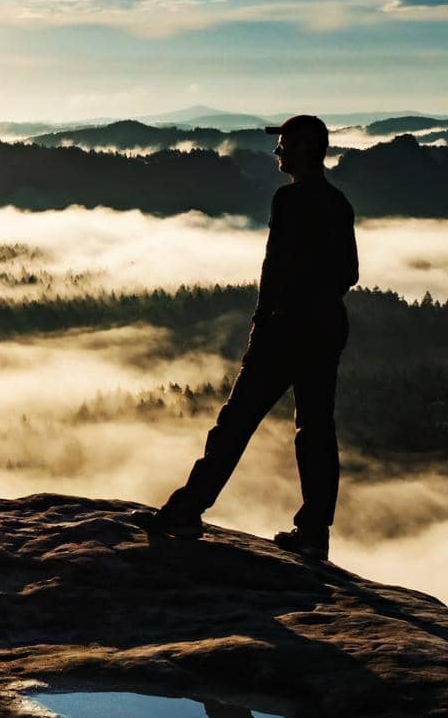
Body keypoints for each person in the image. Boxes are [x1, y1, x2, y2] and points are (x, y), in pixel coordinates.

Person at [136, 114, 359, 561]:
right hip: (326, 328)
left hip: (284, 329)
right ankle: (314, 533)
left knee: (236, 422)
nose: (277, 151)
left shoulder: (289, 200)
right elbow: (350, 273)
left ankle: (188, 509)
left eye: (284, 144)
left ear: (303, 149)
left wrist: (266, 319)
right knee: (316, 429)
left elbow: (274, 271)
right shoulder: (338, 203)